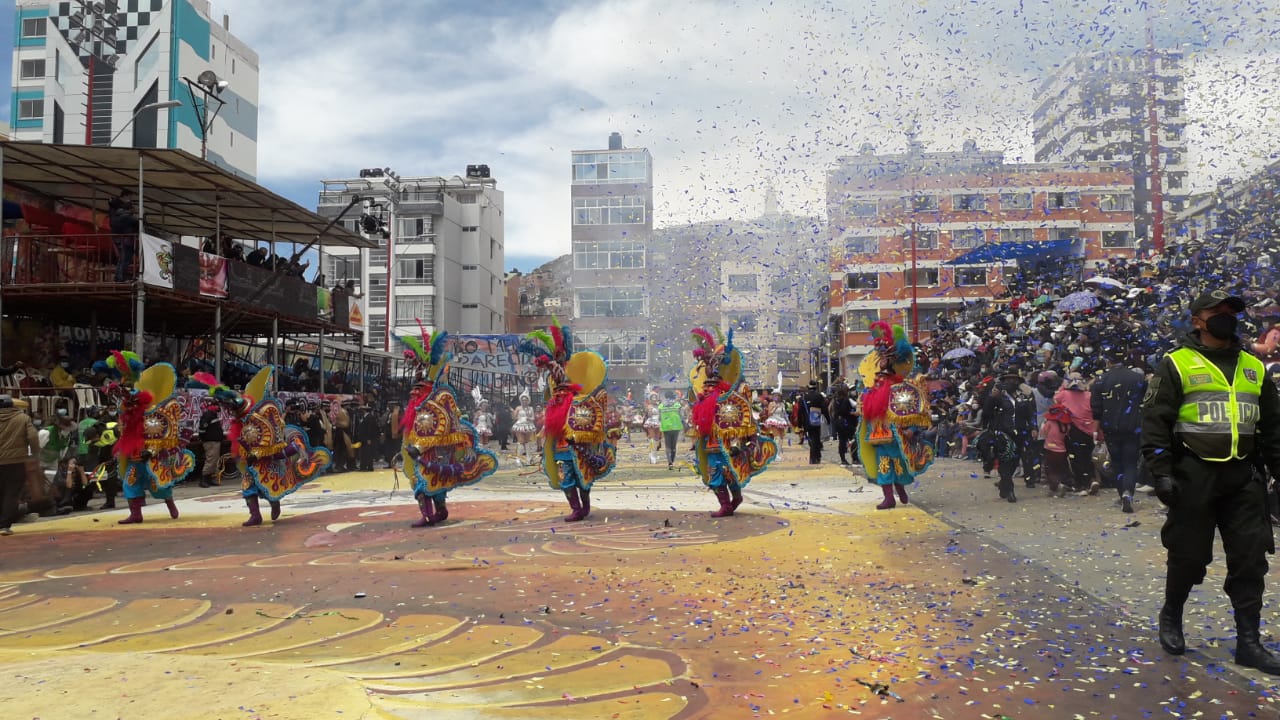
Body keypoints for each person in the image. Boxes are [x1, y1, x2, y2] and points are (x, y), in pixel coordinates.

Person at [1142, 289, 1280, 675]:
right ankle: (1172, 615)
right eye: (1216, 311)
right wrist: (1161, 472)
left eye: (1231, 312)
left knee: (1250, 560)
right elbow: (1156, 421)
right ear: (1197, 320)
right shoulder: (1176, 363)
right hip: (1194, 474)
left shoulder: (1254, 367)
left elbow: (1272, 428)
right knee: (1187, 556)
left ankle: (1248, 643)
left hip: (1243, 476)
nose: (1226, 317)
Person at [201, 367, 332, 526]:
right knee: (248, 487)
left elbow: (272, 443)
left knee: (267, 488)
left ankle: (274, 502)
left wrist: (261, 452)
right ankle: (255, 515)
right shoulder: (241, 423)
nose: (232, 412)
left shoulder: (262, 416)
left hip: (265, 460)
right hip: (250, 460)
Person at [399, 330, 497, 527]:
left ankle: (431, 514)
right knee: (430, 484)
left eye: (419, 389)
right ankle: (438, 512)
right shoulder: (420, 407)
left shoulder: (437, 403)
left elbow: (438, 430)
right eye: (414, 389)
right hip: (427, 453)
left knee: (423, 485)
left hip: (434, 454)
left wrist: (418, 448)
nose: (414, 393)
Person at [522, 320, 615, 522]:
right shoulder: (553, 396)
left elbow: (589, 417)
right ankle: (576, 509)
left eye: (562, 391)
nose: (558, 394)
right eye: (556, 392)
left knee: (583, 478)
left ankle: (584, 508)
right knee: (567, 479)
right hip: (560, 443)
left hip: (578, 442)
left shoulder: (579, 396)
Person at [93, 352, 196, 524]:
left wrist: (151, 451)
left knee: (159, 487)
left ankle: (169, 502)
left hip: (151, 458)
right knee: (129, 484)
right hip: (134, 457)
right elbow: (123, 424)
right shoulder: (126, 414)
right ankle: (136, 514)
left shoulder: (152, 413)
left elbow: (160, 435)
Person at [687, 327, 776, 517]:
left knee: (730, 471)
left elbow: (740, 420)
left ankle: (733, 500)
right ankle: (726, 504)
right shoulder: (704, 395)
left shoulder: (732, 394)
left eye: (715, 364)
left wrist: (737, 443)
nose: (710, 370)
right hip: (710, 442)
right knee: (714, 473)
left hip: (727, 443)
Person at [855, 322, 934, 509]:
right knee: (883, 465)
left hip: (896, 433)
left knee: (899, 464)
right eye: (880, 358)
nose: (881, 362)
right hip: (877, 433)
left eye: (884, 358)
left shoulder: (899, 386)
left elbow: (912, 410)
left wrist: (911, 429)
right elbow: (865, 410)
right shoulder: (872, 388)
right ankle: (889, 498)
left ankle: (900, 489)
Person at [1091, 351, 1147, 513]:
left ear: (1109, 362)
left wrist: (1095, 431)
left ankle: (1122, 493)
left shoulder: (1101, 380)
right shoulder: (1138, 378)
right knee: (1130, 462)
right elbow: (1146, 401)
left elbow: (1096, 409)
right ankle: (1128, 493)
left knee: (1117, 462)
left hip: (1110, 427)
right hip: (1133, 426)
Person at [0, 395, 40, 535]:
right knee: (12, 493)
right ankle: (4, 526)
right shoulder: (22, 418)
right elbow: (33, 437)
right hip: (16, 462)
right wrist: (35, 454)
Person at [108, 190, 139, 282]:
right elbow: (137, 223)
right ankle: (120, 277)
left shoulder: (115, 214)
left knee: (122, 259)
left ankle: (118, 277)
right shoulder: (126, 216)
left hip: (119, 237)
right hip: (125, 239)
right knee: (126, 259)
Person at [800, 380, 830, 464]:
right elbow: (824, 408)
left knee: (811, 438)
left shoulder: (804, 397)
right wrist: (828, 419)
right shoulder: (819, 396)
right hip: (816, 419)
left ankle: (813, 457)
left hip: (807, 421)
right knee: (816, 438)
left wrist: (800, 423)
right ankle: (816, 456)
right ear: (816, 387)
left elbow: (800, 411)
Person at [829, 384, 859, 466]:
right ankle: (855, 459)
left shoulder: (835, 400)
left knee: (842, 441)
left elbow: (834, 412)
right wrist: (853, 413)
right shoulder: (846, 400)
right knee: (853, 439)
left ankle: (843, 459)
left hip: (838, 423)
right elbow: (845, 411)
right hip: (847, 423)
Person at [197, 402, 225, 488]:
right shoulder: (208, 415)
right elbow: (202, 429)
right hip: (210, 442)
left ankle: (210, 479)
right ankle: (203, 479)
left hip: (215, 441)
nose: (218, 407)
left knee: (215, 461)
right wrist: (204, 438)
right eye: (216, 406)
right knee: (211, 460)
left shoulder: (213, 415)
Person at [658, 391, 684, 470]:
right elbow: (681, 416)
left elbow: (659, 418)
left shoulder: (661, 406)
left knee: (668, 445)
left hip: (666, 427)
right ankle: (672, 460)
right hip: (676, 426)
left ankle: (670, 463)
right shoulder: (677, 405)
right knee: (674, 446)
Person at [511, 392, 538, 466]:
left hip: (528, 426)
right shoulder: (518, 408)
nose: (524, 401)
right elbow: (514, 417)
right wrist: (514, 413)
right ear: (521, 401)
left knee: (527, 442)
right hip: (520, 426)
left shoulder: (530, 408)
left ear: (528, 400)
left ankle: (529, 459)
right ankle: (518, 459)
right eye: (523, 400)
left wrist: (529, 418)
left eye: (526, 400)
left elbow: (533, 418)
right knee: (520, 442)